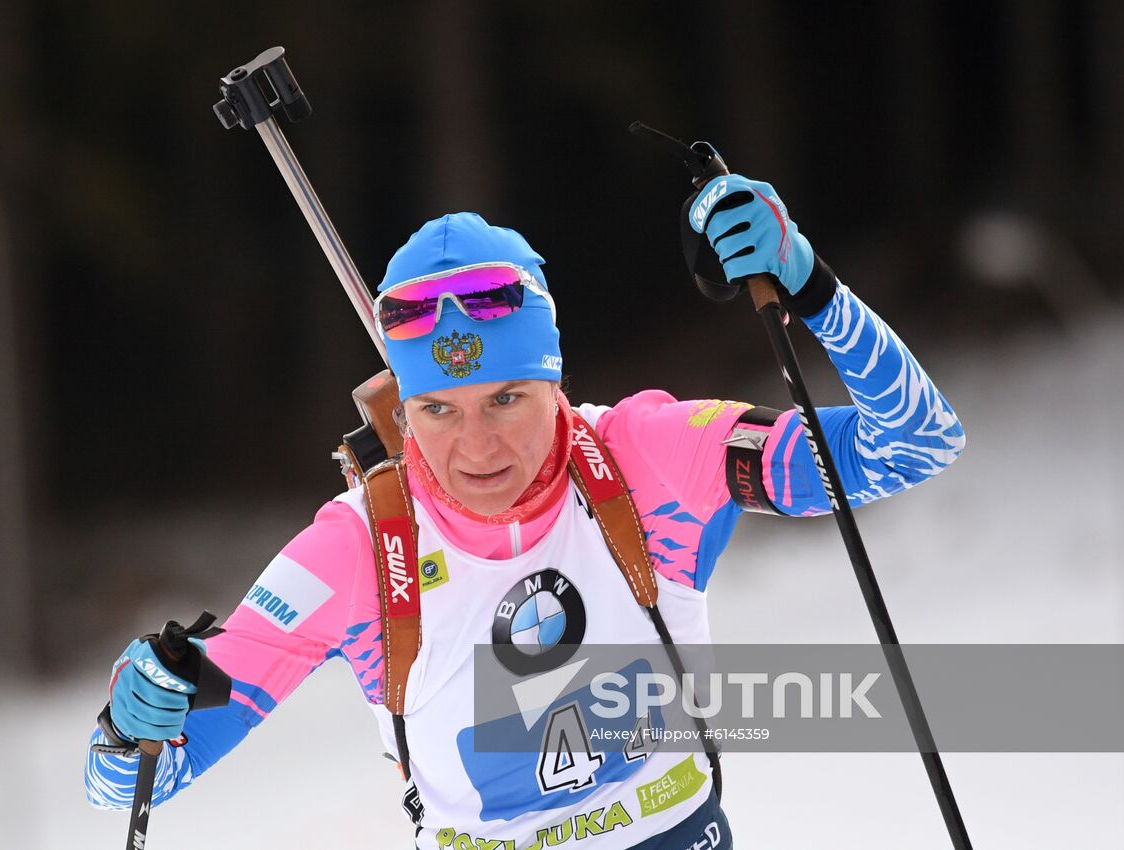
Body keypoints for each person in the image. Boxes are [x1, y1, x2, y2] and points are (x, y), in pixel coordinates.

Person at [85, 174, 965, 849]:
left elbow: (915, 443)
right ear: (402, 408)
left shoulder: (647, 457)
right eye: (438, 410)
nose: (477, 449)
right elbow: (131, 785)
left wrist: (811, 287)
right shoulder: (360, 545)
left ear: (556, 381)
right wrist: (133, 722)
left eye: (507, 398)